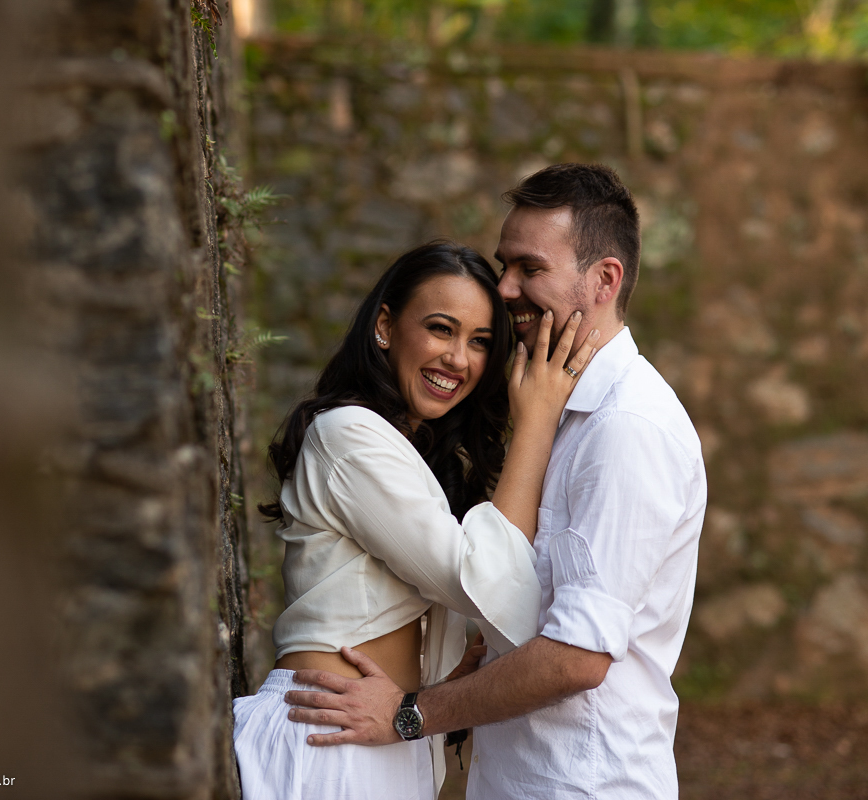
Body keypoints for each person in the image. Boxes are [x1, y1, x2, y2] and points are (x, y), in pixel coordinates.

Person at [284, 164, 708, 800]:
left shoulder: (627, 429)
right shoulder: (556, 413)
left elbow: (577, 656)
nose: (505, 287)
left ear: (604, 280)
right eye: (504, 264)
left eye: (529, 269)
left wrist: (411, 713)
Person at [235, 240, 601, 800]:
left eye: (480, 342)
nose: (459, 359)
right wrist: (537, 421)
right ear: (385, 325)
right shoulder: (348, 434)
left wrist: (440, 684)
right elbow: (472, 575)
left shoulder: (412, 458)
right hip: (328, 735)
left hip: (383, 733)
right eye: (440, 328)